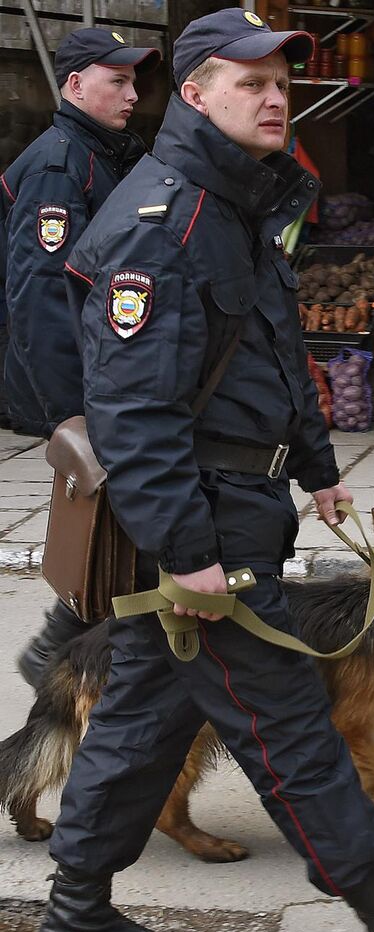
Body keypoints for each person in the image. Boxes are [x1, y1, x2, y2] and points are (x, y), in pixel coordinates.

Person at [37, 10, 374, 932]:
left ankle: (76, 918)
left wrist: (320, 465)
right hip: (203, 527)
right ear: (197, 95)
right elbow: (134, 412)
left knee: (136, 728)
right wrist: (190, 550)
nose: (273, 96)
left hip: (236, 505)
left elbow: (267, 351)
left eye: (281, 81)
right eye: (247, 81)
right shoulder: (161, 221)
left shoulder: (233, 210)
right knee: (290, 720)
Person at [0, 28, 161, 688]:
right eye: (117, 81)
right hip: (92, 395)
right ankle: (60, 659)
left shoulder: (102, 154)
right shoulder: (60, 166)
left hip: (115, 385)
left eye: (133, 81)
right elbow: (40, 304)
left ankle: (72, 656)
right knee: (124, 530)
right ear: (74, 86)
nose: (132, 93)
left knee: (128, 536)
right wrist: (76, 418)